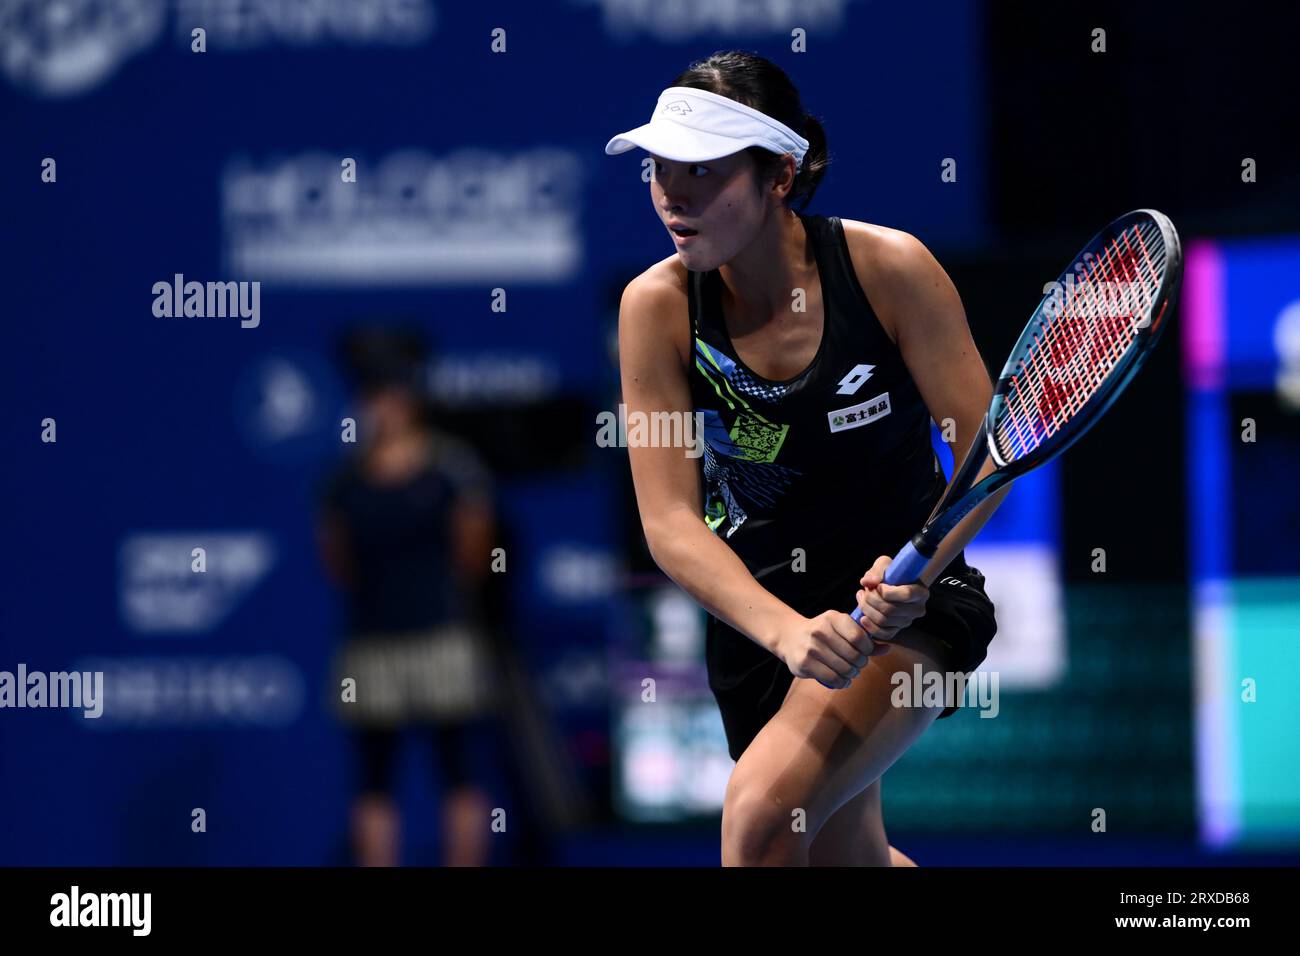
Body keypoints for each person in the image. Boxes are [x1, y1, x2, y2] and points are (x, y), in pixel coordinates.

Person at [606, 51, 1004, 866]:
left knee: (757, 822)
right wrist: (786, 633)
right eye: (660, 169)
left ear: (780, 174)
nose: (673, 195)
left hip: (904, 611)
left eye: (704, 170)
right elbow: (670, 522)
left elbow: (987, 455)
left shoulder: (889, 270)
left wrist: (918, 572)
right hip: (761, 627)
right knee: (843, 861)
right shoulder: (655, 308)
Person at [316, 327, 500, 867]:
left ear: (412, 399)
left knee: (459, 768)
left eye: (392, 394)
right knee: (373, 777)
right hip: (370, 643)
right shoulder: (342, 480)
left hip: (443, 635)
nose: (383, 408)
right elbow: (338, 562)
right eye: (371, 396)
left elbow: (474, 555)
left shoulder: (451, 468)